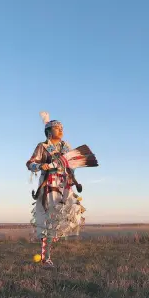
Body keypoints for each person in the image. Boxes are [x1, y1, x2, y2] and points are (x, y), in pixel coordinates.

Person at [26, 112, 88, 268]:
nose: (61, 130)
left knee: (68, 217)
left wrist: (73, 179)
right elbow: (30, 163)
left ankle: (48, 250)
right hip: (49, 187)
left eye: (62, 128)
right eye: (57, 128)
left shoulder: (66, 146)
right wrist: (39, 166)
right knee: (48, 222)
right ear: (48, 132)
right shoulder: (43, 146)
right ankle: (45, 258)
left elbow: (72, 163)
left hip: (65, 186)